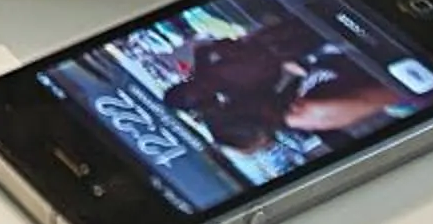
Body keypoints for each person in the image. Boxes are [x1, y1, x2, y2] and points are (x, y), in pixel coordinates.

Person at [155, 20, 402, 152]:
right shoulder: (309, 113)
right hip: (393, 49)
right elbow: (401, 93)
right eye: (229, 104)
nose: (229, 97)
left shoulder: (288, 101)